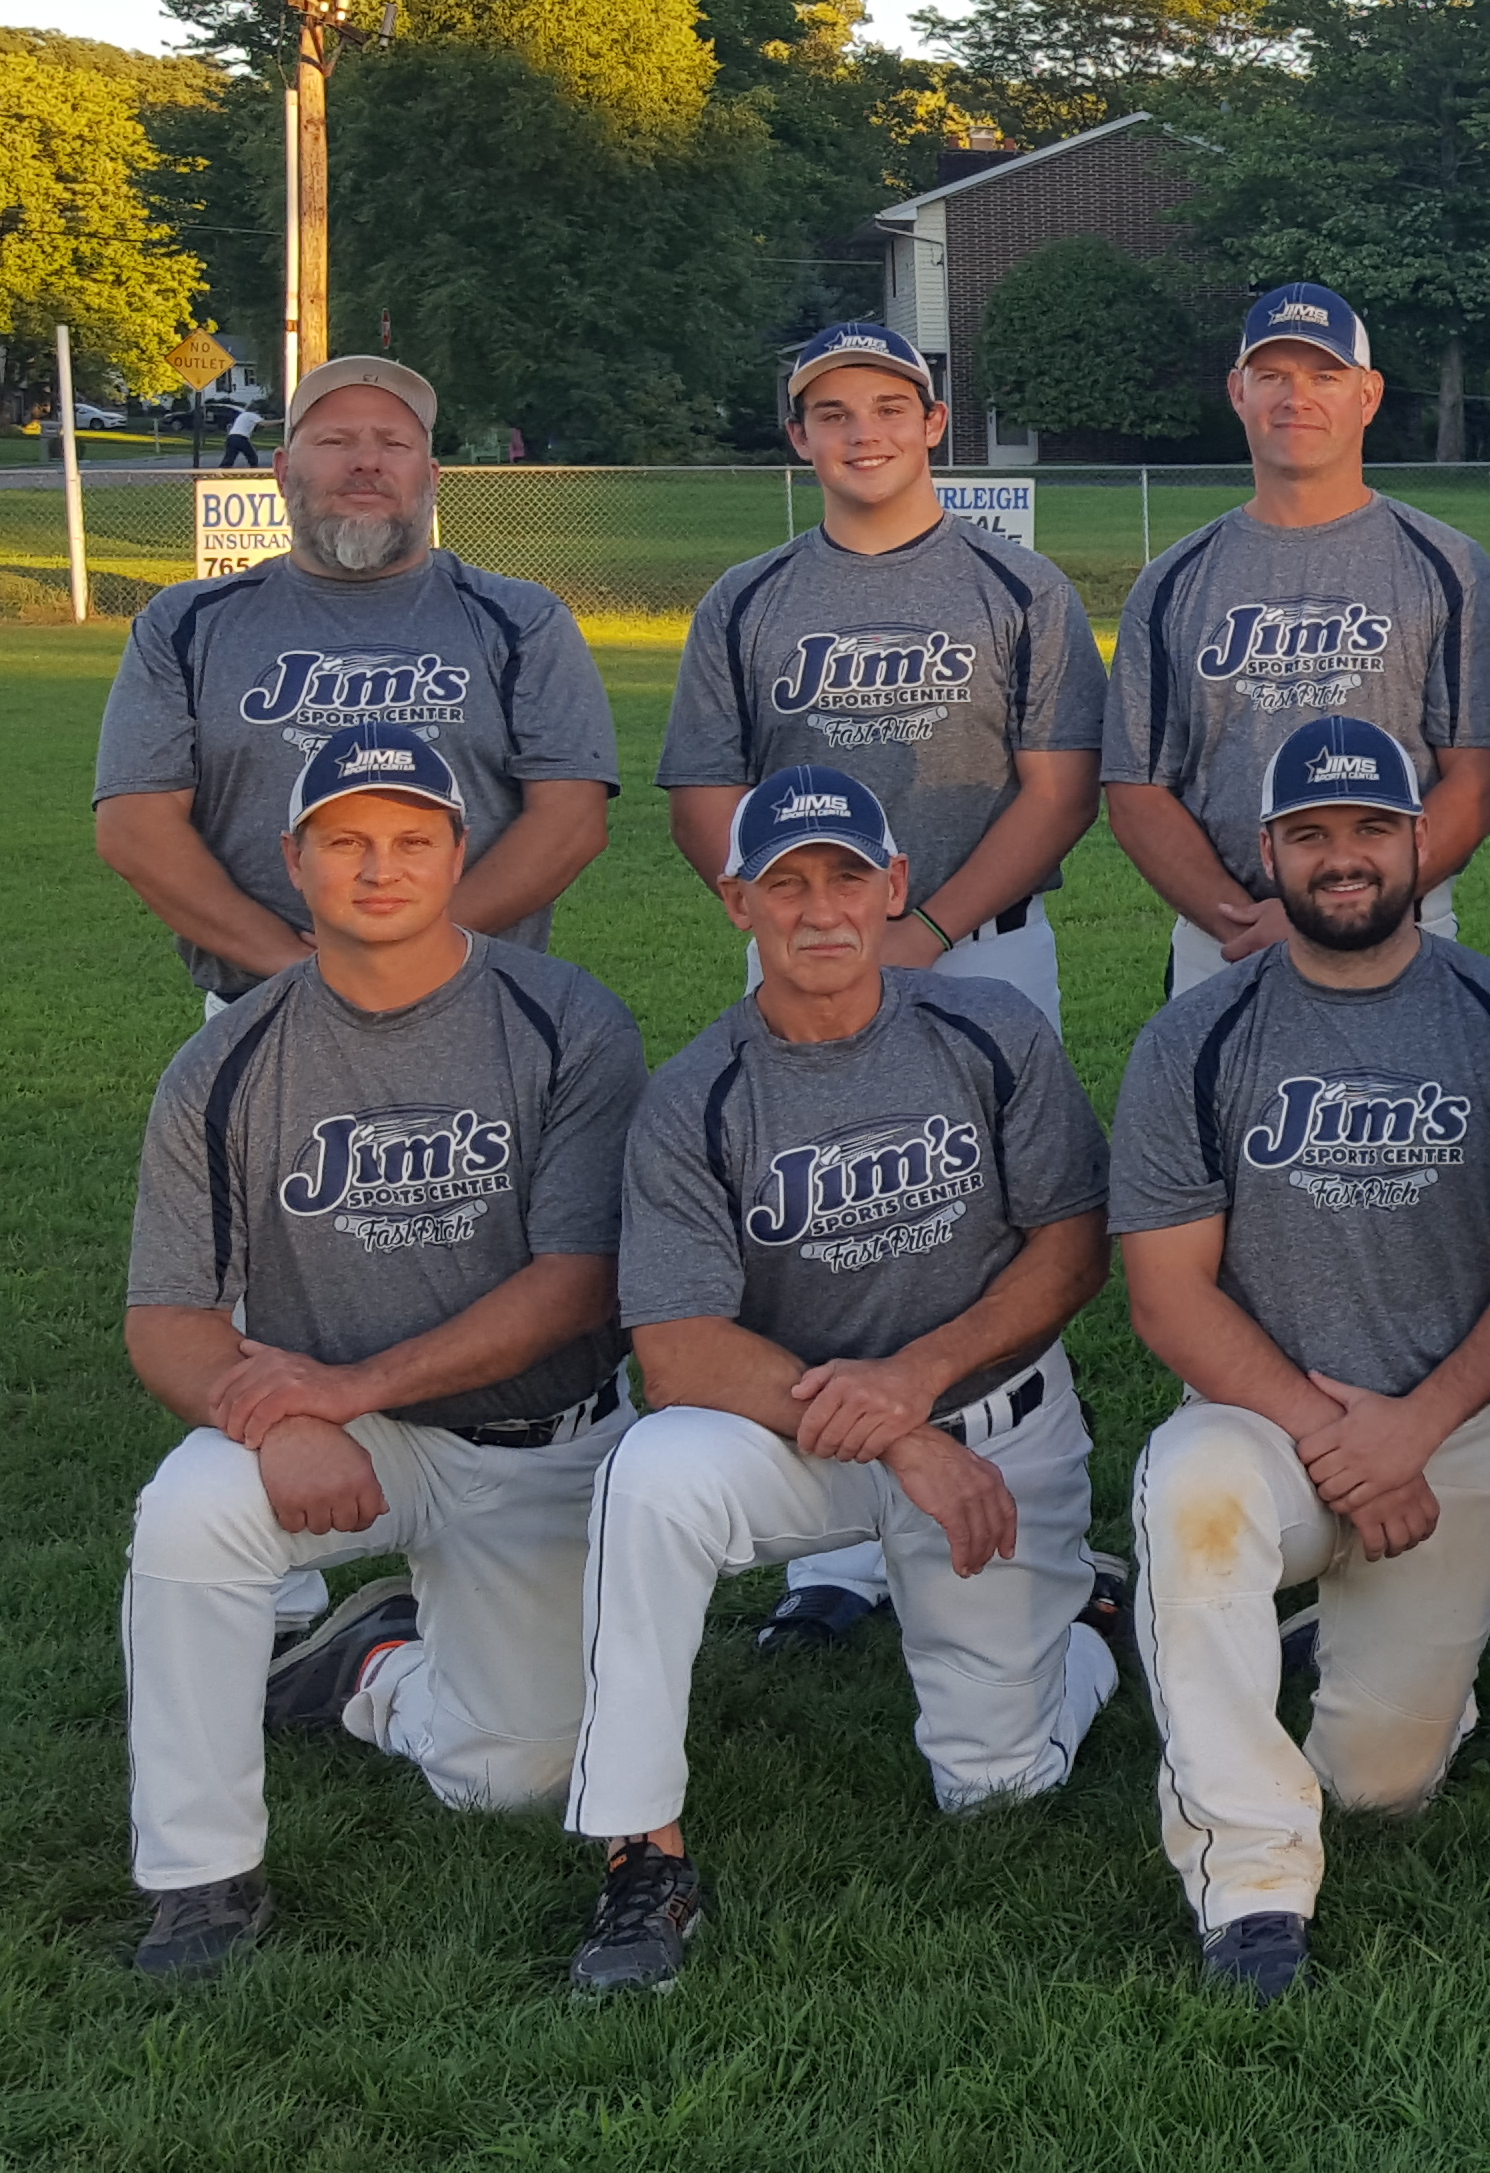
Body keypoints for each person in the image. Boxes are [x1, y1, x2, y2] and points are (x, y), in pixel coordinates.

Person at [555, 769, 1124, 1996]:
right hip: (812, 1442)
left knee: (997, 1789)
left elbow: (1074, 1243)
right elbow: (678, 1351)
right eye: (786, 882)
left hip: (991, 1422)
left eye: (847, 878)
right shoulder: (695, 1095)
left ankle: (1085, 1622)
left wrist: (917, 1382)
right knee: (650, 1475)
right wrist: (900, 1432)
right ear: (735, 901)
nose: (820, 910)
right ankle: (639, 1852)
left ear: (895, 890)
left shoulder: (987, 1032)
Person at [108, 730, 643, 1979]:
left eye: (413, 840)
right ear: (293, 861)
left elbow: (580, 1282)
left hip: (535, 1437)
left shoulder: (565, 1022)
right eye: (346, 841)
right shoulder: (224, 1062)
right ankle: (199, 1880)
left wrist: (348, 1390)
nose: (380, 869)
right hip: (341, 1434)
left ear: (460, 855)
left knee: (511, 1778)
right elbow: (165, 1316)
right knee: (189, 1511)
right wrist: (283, 1421)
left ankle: (373, 1662)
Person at [1110, 717, 1490, 2003]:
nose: (1344, 860)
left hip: (1447, 1434)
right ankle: (1251, 1887)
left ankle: (1313, 1649)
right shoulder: (1198, 1035)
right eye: (1312, 834)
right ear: (1265, 852)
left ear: (1422, 844)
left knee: (1385, 1785)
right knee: (1192, 1494)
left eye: (1370, 830)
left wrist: (1412, 1426)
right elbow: (1166, 1297)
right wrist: (1333, 1436)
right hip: (1259, 1420)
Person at [659, 318, 1109, 1658]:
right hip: (811, 945)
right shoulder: (749, 597)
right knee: (823, 1222)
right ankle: (845, 1552)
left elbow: (1058, 792)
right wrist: (812, 925)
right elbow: (703, 792)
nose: (862, 432)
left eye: (886, 407)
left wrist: (931, 923)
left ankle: (1032, 1507)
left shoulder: (1017, 588)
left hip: (983, 946)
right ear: (799, 437)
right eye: (832, 412)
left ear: (932, 426)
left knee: (998, 1215)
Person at [97, 352, 617, 1022]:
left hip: (476, 1001)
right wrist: (296, 965)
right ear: (283, 472)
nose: (366, 462)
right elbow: (135, 829)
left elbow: (571, 819)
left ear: (430, 477)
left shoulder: (521, 620)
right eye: (335, 441)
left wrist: (416, 950)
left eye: (393, 444)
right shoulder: (186, 623)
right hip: (259, 1004)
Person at [1106, 283, 1490, 992]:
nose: (1294, 397)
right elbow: (1139, 791)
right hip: (1226, 939)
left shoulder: (1447, 567)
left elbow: (1481, 781)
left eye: (1324, 376)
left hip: (1402, 927)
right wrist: (1245, 919)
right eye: (1272, 376)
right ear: (1238, 391)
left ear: (1367, 395)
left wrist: (1333, 911)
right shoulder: (1172, 580)